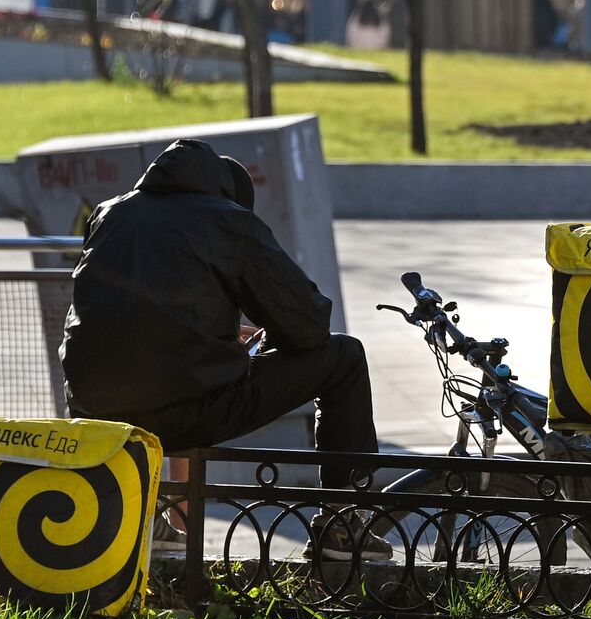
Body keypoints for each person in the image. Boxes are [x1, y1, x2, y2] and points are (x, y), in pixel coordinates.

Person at [60, 140, 388, 562]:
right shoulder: (227, 220)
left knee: (152, 383)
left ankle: (147, 517)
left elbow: (134, 313)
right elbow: (306, 326)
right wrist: (261, 338)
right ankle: (341, 527)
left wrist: (217, 336)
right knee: (344, 358)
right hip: (186, 408)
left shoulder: (110, 213)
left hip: (92, 408)